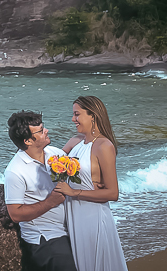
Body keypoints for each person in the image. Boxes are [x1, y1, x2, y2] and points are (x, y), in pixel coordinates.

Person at [55, 96, 127, 271]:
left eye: (77, 114)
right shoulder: (74, 142)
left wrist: (74, 192)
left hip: (93, 217)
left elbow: (112, 193)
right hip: (73, 215)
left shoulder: (104, 146)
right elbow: (52, 168)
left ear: (92, 115)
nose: (73, 119)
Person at [5, 110, 77, 271]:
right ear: (28, 141)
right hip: (45, 238)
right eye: (41, 130)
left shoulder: (55, 154)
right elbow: (15, 214)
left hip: (71, 228)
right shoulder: (15, 171)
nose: (47, 131)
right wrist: (50, 202)